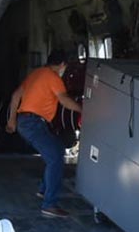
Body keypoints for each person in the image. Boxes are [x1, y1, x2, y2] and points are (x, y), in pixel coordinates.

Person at [5, 50, 82, 218]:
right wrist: (83, 109)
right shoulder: (53, 78)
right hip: (33, 123)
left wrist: (12, 120)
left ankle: (44, 189)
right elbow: (64, 100)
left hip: (26, 121)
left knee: (58, 149)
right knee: (55, 158)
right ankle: (49, 204)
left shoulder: (36, 73)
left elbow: (15, 95)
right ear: (62, 65)